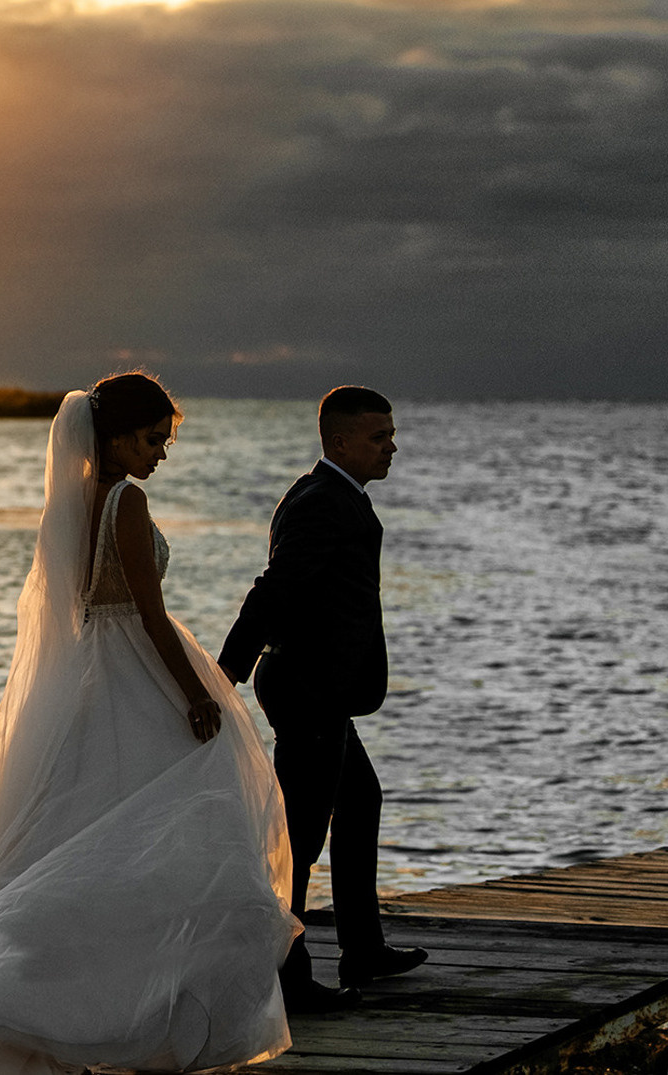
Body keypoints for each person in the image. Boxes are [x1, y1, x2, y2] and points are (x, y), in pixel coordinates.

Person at [0, 373, 299, 1075]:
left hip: (90, 674)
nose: (158, 454)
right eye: (151, 440)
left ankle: (39, 997)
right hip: (134, 667)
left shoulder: (73, 502)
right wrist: (194, 694)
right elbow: (147, 613)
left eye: (163, 443)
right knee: (179, 828)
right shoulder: (125, 501)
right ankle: (142, 1012)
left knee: (81, 835)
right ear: (116, 437)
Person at [219, 385, 426, 1011]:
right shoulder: (322, 503)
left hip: (322, 689)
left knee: (359, 801)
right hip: (308, 689)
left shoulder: (331, 494)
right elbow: (275, 589)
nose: (391, 447)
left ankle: (364, 948)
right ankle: (287, 975)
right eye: (379, 437)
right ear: (340, 441)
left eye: (392, 435)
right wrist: (225, 671)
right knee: (301, 837)